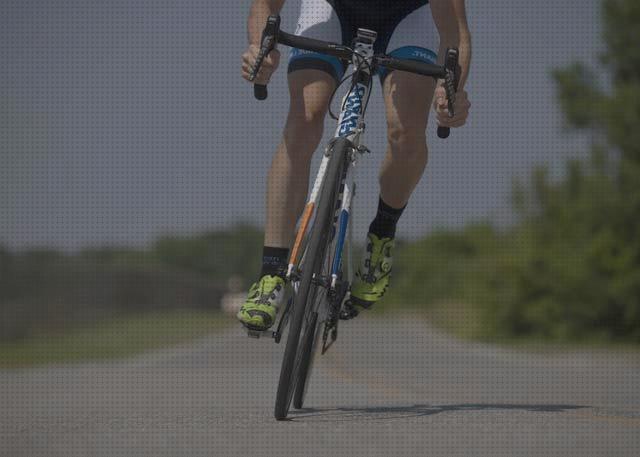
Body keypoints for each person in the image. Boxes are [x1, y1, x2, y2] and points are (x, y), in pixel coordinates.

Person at [238, 0, 471, 330]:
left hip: (407, 16)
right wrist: (261, 48)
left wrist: (453, 92)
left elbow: (455, 32)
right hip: (330, 8)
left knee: (405, 131)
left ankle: (382, 234)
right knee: (304, 118)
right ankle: (271, 273)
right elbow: (265, 5)